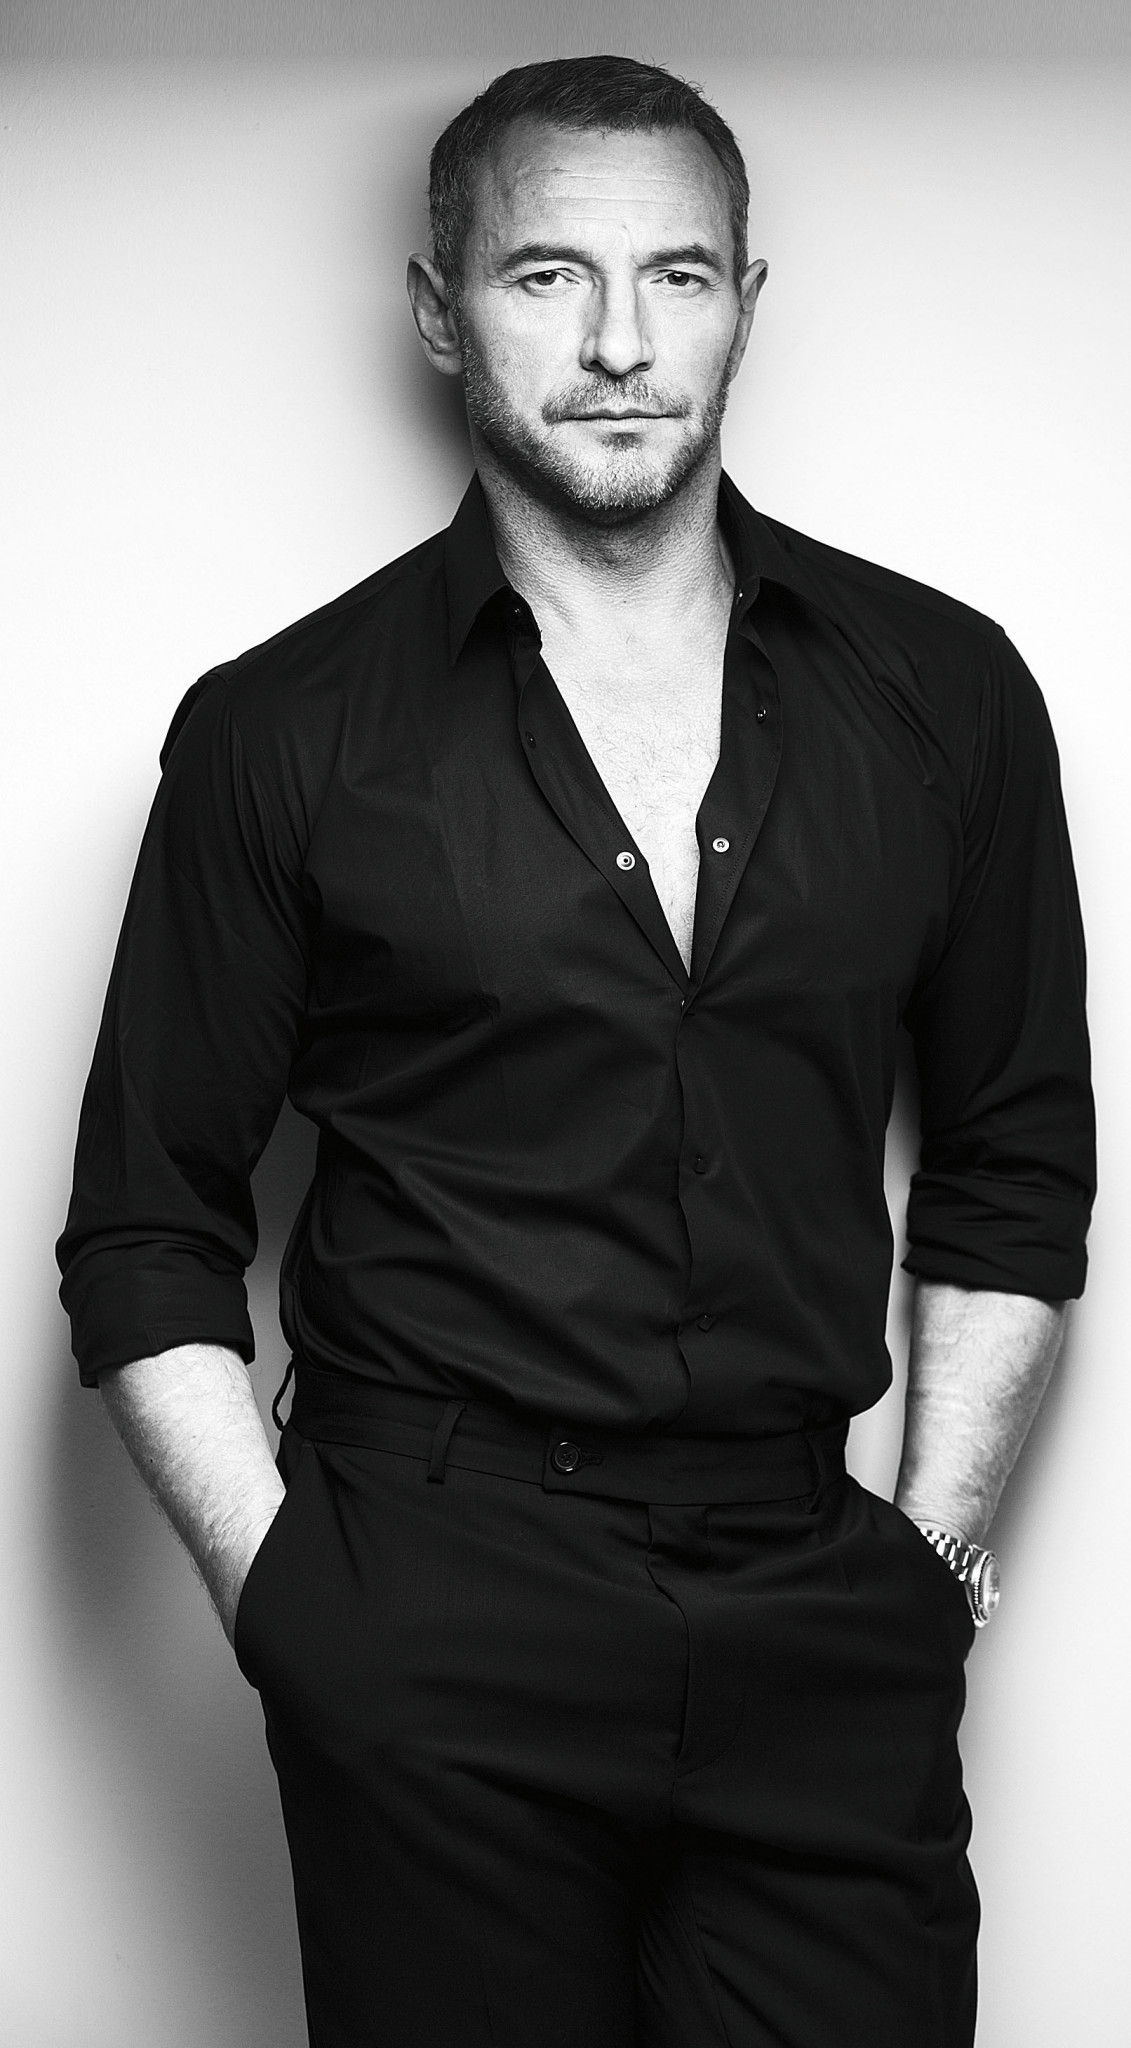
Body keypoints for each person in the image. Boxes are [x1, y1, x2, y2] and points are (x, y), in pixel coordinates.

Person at [57, 53, 1094, 2048]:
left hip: (817, 1606)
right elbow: (144, 1230)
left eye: (676, 276)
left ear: (744, 303)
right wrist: (293, 1607)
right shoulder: (283, 732)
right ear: (440, 308)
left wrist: (933, 1563)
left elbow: (1011, 1166)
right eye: (547, 275)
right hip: (428, 1598)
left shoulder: (944, 694)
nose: (621, 342)